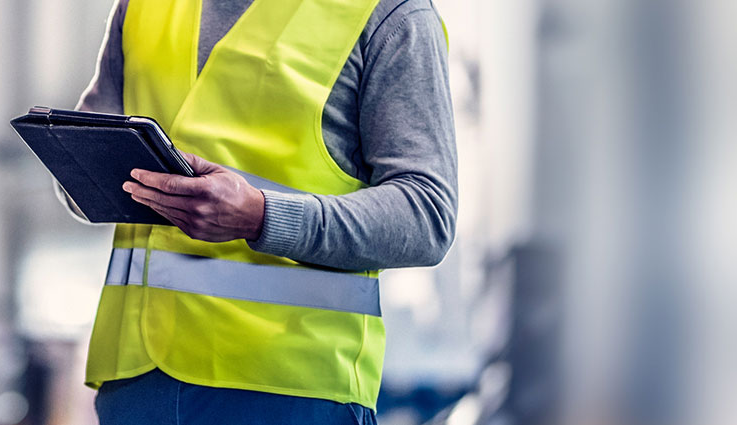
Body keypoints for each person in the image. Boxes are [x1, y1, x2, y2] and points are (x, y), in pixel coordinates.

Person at [69, 0, 456, 423]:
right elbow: (82, 168)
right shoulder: (142, 6)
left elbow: (427, 213)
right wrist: (74, 162)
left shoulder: (388, 13)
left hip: (291, 388)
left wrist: (263, 216)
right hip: (137, 385)